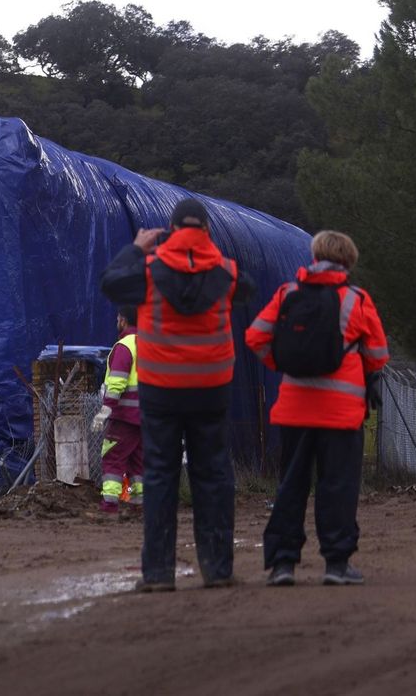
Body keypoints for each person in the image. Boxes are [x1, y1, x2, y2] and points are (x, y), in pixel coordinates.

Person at [101, 197, 253, 591]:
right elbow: (246, 289)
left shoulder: (148, 271)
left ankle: (157, 575)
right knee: (213, 475)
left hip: (161, 389)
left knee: (160, 476)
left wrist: (137, 247)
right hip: (211, 388)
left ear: (169, 229)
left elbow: (112, 281)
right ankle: (217, 570)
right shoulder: (225, 272)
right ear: (205, 231)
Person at [245, 230, 389, 587]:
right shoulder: (356, 299)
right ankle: (336, 565)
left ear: (314, 256)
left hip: (294, 409)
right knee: (337, 486)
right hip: (342, 413)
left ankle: (282, 564)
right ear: (349, 261)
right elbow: (378, 355)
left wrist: (284, 364)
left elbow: (256, 337)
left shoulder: (287, 293)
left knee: (291, 486)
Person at [93, 307, 143, 517]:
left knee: (112, 458)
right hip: (149, 418)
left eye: (118, 317)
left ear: (123, 320)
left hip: (125, 418)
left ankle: (109, 506)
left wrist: (105, 411)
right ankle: (141, 505)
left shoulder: (124, 346)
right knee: (140, 463)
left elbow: (117, 383)